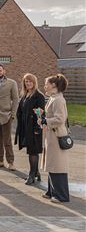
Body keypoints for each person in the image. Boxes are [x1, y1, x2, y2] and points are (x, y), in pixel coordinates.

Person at [39, 74, 70, 203]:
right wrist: (44, 120)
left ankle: (61, 195)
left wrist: (46, 120)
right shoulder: (54, 98)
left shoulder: (58, 100)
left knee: (57, 165)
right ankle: (52, 191)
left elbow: (60, 119)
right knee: (52, 164)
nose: (45, 86)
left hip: (56, 136)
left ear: (53, 85)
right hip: (52, 135)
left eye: (47, 83)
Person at [14, 73, 45, 185]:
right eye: (26, 81)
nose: (28, 83)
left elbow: (40, 113)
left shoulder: (39, 96)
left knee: (33, 151)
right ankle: (36, 172)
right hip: (25, 127)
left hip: (34, 128)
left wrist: (37, 128)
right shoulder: (24, 95)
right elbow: (20, 110)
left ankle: (32, 175)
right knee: (30, 150)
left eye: (30, 81)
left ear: (34, 82)